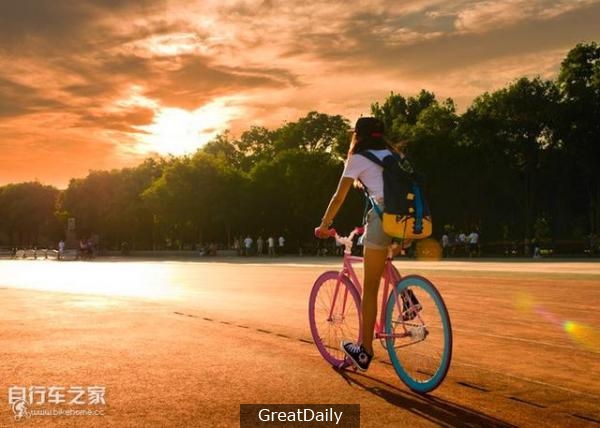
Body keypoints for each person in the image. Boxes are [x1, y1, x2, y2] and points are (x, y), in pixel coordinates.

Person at [315, 116, 401, 372]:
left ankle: (364, 351)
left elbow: (338, 196)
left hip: (384, 217)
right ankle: (406, 297)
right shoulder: (393, 155)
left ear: (358, 136)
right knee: (382, 264)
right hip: (408, 219)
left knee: (370, 288)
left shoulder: (358, 158)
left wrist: (324, 224)